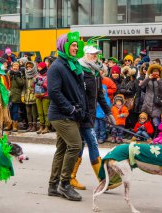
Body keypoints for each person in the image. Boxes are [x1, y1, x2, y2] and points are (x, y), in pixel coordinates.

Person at [47, 32, 87, 201]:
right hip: (61, 115)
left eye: (77, 46)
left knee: (62, 149)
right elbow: (54, 92)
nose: (75, 48)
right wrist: (70, 109)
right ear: (63, 46)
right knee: (76, 146)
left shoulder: (72, 64)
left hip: (71, 114)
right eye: (72, 45)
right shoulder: (57, 66)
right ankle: (65, 184)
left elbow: (78, 90)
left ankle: (53, 185)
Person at [71, 45, 115, 190]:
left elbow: (100, 95)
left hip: (90, 115)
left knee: (81, 144)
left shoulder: (95, 72)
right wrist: (79, 111)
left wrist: (108, 113)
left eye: (96, 54)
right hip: (81, 115)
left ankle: (70, 176)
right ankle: (104, 180)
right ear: (86, 55)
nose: (95, 57)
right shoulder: (80, 70)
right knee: (92, 143)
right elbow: (75, 94)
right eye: (93, 54)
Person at [140, 63, 162, 136]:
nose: (155, 73)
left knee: (155, 119)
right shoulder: (148, 79)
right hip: (147, 101)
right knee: (147, 119)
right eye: (154, 71)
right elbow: (141, 86)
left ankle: (156, 133)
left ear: (159, 72)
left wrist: (159, 80)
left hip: (157, 102)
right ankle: (148, 133)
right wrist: (148, 78)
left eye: (157, 71)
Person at [34, 61, 51, 134]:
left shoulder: (48, 75)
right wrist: (34, 83)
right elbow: (34, 86)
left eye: (40, 67)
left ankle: (47, 127)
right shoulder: (37, 75)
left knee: (46, 112)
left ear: (44, 67)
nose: (39, 68)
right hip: (38, 96)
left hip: (45, 96)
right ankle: (41, 126)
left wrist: (43, 84)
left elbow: (49, 86)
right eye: (38, 67)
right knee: (40, 112)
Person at [9, 61, 25, 132]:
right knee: (9, 111)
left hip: (16, 95)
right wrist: (11, 75)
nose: (15, 68)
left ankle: (15, 126)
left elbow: (22, 83)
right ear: (12, 67)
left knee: (15, 111)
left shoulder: (20, 74)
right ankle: (9, 124)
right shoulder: (9, 73)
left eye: (17, 66)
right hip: (9, 95)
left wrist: (17, 77)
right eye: (14, 66)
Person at [22, 61, 38, 132]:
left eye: (30, 67)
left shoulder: (36, 76)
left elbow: (38, 87)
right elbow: (24, 87)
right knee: (28, 112)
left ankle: (34, 126)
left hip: (33, 95)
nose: (29, 68)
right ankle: (30, 125)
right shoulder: (26, 76)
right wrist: (22, 95)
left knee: (34, 112)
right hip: (27, 96)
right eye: (27, 67)